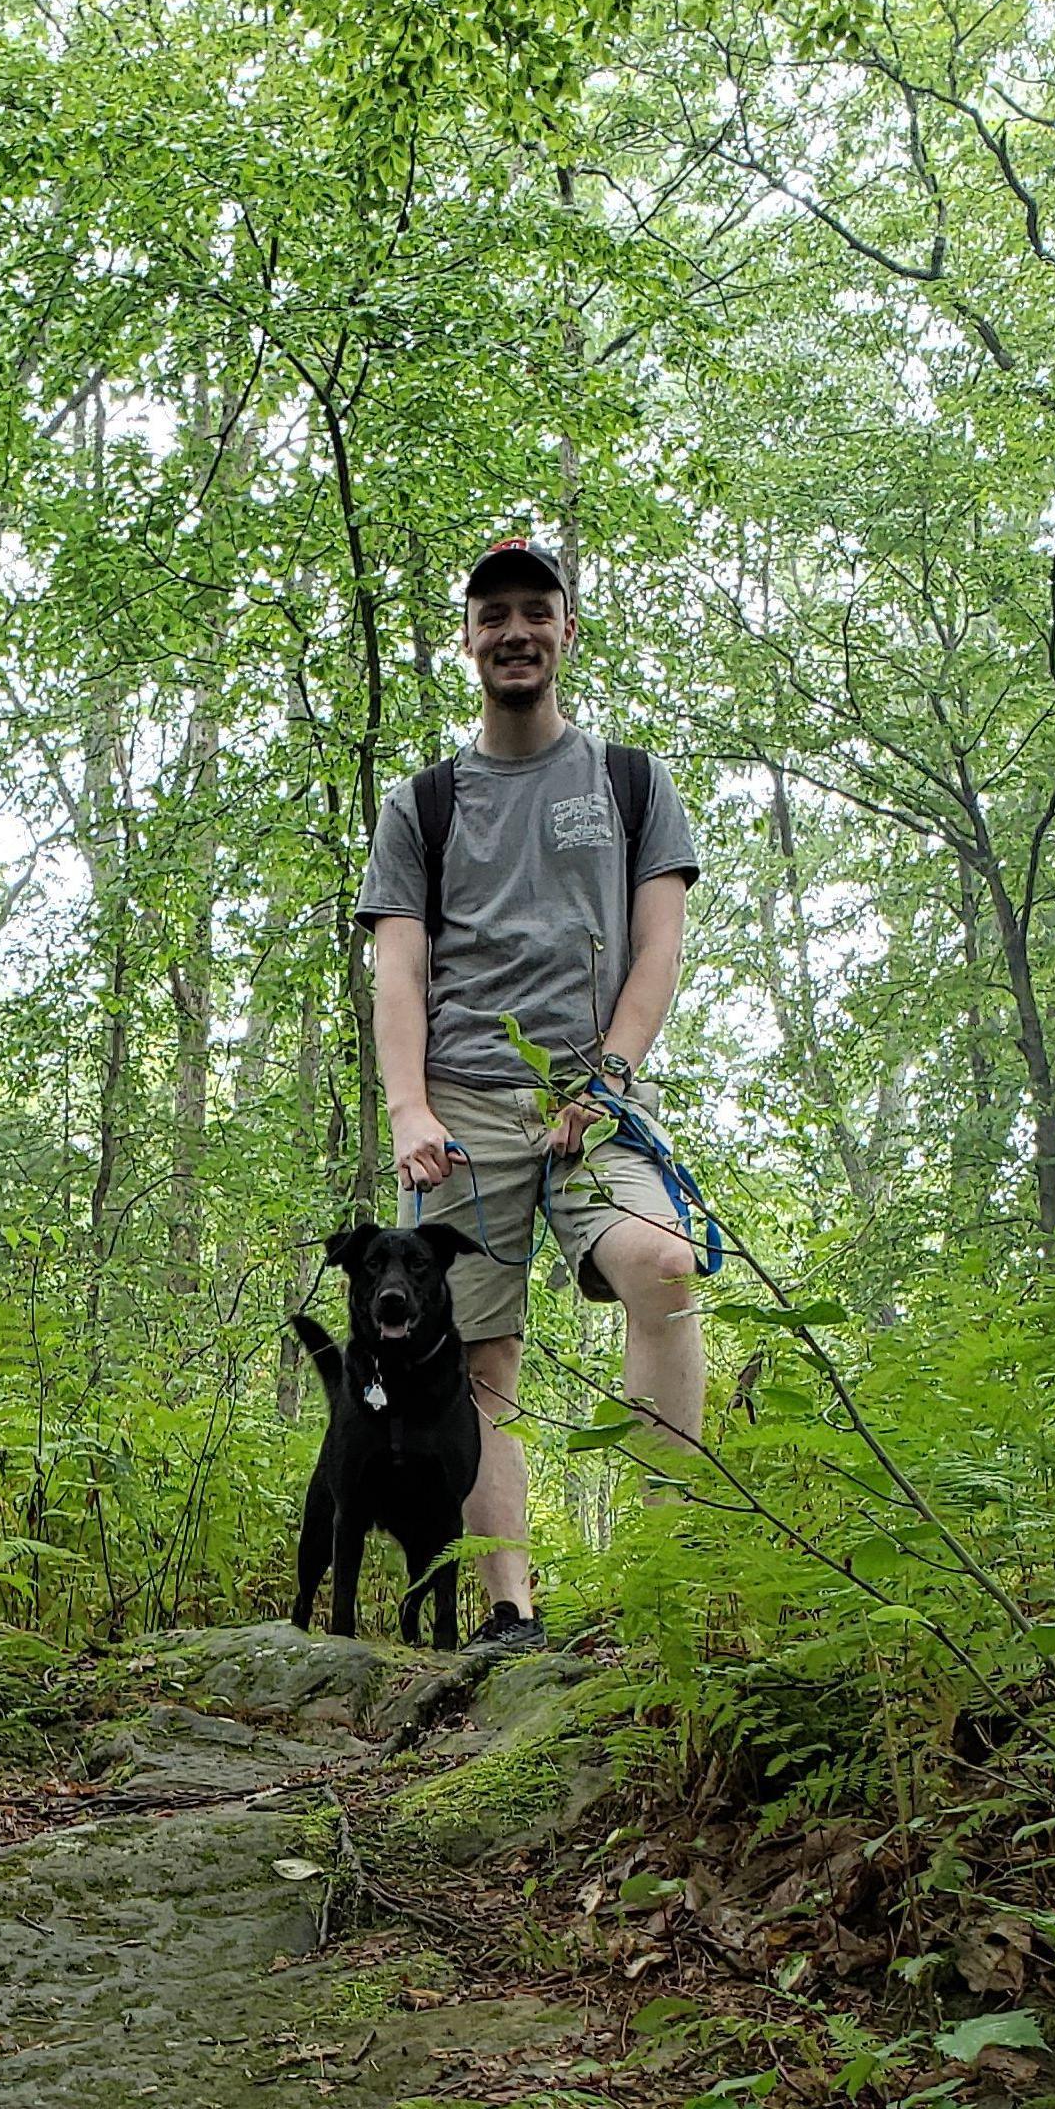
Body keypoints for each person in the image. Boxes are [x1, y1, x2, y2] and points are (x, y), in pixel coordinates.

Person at [352, 534, 706, 1653]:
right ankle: (511, 1608)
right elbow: (397, 967)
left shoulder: (630, 782)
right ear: (466, 640)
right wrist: (410, 1109)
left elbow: (657, 950)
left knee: (665, 1263)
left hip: (588, 1100)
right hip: (461, 1102)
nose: (515, 630)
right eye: (492, 613)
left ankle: (664, 1584)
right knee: (475, 1364)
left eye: (534, 611)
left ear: (562, 630)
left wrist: (606, 1080)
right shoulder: (425, 804)